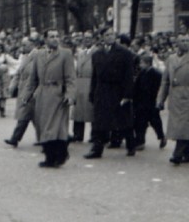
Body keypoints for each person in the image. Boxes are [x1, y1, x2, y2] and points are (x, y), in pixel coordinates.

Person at [24, 29, 75, 168]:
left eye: (57, 36)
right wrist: (26, 95)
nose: (55, 39)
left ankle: (57, 156)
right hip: (42, 94)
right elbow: (33, 78)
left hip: (58, 94)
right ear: (45, 39)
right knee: (43, 126)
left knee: (56, 128)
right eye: (52, 36)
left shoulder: (65, 54)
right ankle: (50, 155)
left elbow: (70, 77)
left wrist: (70, 95)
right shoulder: (39, 54)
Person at [84, 27, 136, 159]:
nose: (110, 37)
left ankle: (131, 144)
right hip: (101, 90)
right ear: (101, 37)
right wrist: (92, 92)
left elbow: (129, 75)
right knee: (99, 121)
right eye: (107, 35)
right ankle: (97, 149)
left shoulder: (125, 53)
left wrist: (127, 95)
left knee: (123, 120)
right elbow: (95, 76)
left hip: (118, 90)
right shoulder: (97, 54)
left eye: (112, 34)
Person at [156, 34, 189, 164]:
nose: (186, 43)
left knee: (183, 126)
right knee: (180, 126)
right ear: (177, 43)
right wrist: (160, 99)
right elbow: (165, 81)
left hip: (187, 95)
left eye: (188, 41)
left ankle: (178, 153)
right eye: (183, 41)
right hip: (174, 97)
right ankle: (187, 153)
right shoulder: (171, 59)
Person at [4, 37, 39, 147]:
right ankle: (44, 137)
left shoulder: (37, 56)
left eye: (25, 45)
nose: (22, 47)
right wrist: (12, 86)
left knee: (25, 115)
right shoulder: (24, 57)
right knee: (32, 116)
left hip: (32, 90)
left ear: (32, 45)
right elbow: (18, 73)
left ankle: (15, 138)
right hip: (23, 88)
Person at [134, 54, 166, 150]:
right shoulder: (142, 73)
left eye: (141, 63)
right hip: (142, 102)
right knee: (140, 123)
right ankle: (140, 142)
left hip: (151, 102)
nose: (140, 65)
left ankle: (161, 137)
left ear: (147, 63)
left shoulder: (156, 74)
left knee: (155, 122)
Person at [71, 31, 95, 142]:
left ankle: (94, 135)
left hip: (90, 83)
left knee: (91, 111)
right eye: (85, 38)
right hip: (79, 84)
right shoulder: (80, 53)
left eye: (89, 38)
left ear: (93, 40)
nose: (87, 40)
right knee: (78, 111)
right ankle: (77, 134)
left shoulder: (96, 52)